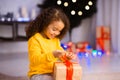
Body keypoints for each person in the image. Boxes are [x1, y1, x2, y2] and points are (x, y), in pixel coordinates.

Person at [26, 7, 75, 80]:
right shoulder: (34, 40)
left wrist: (66, 57)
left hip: (54, 72)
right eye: (54, 29)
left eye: (59, 31)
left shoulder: (55, 40)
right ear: (45, 24)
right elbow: (35, 60)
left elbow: (61, 56)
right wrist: (52, 54)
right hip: (39, 74)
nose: (56, 33)